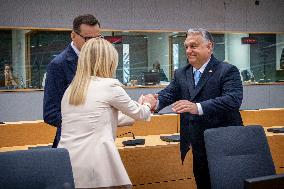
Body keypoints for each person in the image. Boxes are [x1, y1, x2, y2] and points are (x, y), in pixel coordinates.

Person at [147, 28, 243, 189]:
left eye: (194, 46)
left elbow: (233, 100)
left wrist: (197, 107)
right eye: (186, 47)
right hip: (197, 144)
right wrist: (152, 102)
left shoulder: (227, 70)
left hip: (225, 143)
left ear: (209, 47)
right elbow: (168, 94)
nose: (188, 51)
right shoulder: (181, 73)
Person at [58, 38, 156, 188]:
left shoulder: (72, 89)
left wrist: (136, 108)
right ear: (109, 61)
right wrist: (148, 103)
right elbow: (140, 114)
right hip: (94, 162)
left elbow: (101, 118)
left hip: (67, 161)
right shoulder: (109, 86)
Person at [43, 14, 102, 148]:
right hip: (72, 142)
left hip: (97, 141)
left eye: (98, 38)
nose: (94, 43)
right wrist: (86, 123)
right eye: (88, 38)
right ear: (73, 36)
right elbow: (50, 114)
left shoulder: (99, 61)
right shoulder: (58, 65)